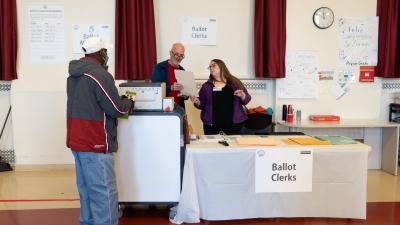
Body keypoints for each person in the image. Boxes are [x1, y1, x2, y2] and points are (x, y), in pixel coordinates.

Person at [66, 37, 134, 225]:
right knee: (104, 191)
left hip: (77, 140)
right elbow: (116, 109)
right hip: (95, 141)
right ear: (100, 53)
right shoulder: (100, 75)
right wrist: (127, 102)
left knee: (86, 189)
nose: (107, 55)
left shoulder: (73, 75)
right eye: (106, 51)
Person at [190, 59, 251, 135]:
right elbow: (202, 104)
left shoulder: (235, 82)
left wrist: (242, 95)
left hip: (235, 126)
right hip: (212, 127)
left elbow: (247, 99)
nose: (211, 68)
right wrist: (197, 102)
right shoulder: (206, 86)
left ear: (222, 67)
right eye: (210, 67)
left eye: (213, 65)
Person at [151, 42, 188, 109]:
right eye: (176, 54)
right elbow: (154, 91)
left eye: (181, 55)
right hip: (163, 111)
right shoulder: (159, 68)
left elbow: (185, 94)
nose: (179, 58)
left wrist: (185, 95)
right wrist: (171, 88)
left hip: (179, 110)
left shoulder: (182, 71)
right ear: (170, 53)